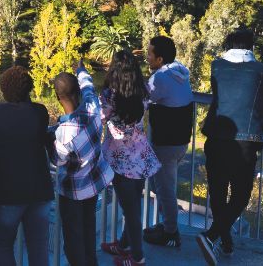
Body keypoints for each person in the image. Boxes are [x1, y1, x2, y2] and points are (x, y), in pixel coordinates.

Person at [197, 30, 263, 266]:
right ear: (251, 47)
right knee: (241, 194)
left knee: (218, 190)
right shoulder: (261, 70)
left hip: (216, 135)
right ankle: (214, 236)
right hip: (246, 139)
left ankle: (221, 240)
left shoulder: (216, 66)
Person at [0, 66, 53, 266]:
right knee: (38, 246)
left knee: (3, 246)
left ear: (5, 90)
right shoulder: (40, 112)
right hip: (39, 190)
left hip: (6, 193)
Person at [100, 51, 161, 265]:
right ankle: (124, 245)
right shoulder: (143, 90)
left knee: (131, 211)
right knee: (133, 203)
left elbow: (100, 117)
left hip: (120, 159)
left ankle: (137, 258)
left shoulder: (110, 96)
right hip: (140, 154)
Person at [53, 58, 114, 266]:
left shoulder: (63, 132)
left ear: (58, 97)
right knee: (89, 228)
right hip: (93, 186)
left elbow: (58, 161)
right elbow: (88, 86)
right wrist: (81, 70)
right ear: (77, 93)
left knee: (72, 239)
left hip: (73, 192)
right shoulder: (92, 107)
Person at [144, 36, 194, 249]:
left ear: (160, 58)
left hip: (165, 142)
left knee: (164, 189)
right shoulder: (180, 72)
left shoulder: (160, 79)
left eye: (149, 54)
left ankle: (171, 232)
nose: (146, 57)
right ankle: (167, 225)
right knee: (160, 184)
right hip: (180, 140)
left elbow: (142, 101)